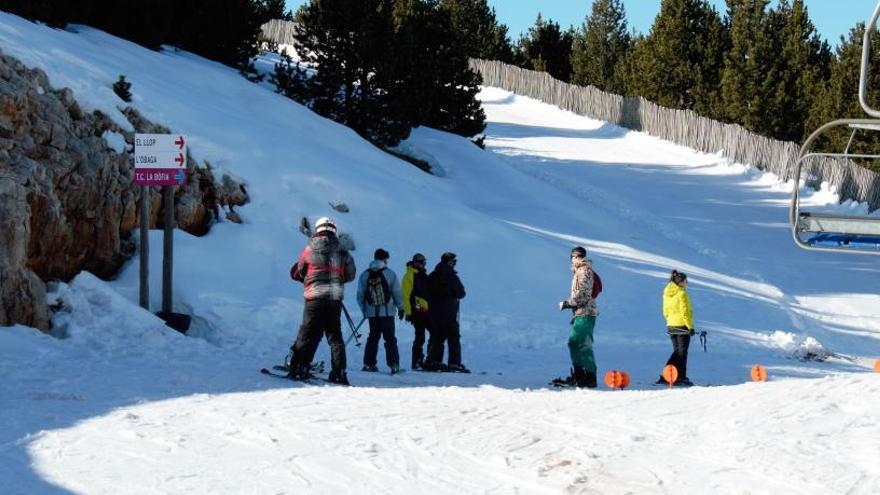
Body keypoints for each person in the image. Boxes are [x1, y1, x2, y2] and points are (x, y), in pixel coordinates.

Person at [288, 217, 357, 385]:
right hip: (334, 298)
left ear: (317, 229)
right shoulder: (343, 251)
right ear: (334, 230)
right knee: (335, 336)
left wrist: (310, 279)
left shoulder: (309, 249)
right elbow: (351, 274)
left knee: (307, 333)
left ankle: (299, 368)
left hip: (314, 297)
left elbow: (299, 271)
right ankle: (339, 373)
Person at [557, 246, 599, 388]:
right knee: (574, 343)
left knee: (583, 345)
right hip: (581, 314)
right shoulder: (580, 272)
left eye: (572, 257)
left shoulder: (584, 272)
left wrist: (567, 303)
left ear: (577, 257)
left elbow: (583, 296)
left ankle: (590, 377)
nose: (571, 261)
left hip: (586, 314)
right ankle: (580, 375)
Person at [357, 248, 404, 374]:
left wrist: (365, 311)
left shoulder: (365, 274)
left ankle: (368, 364)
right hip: (387, 312)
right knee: (390, 339)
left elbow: (360, 295)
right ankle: (394, 365)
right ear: (384, 259)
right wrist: (401, 308)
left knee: (373, 338)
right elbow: (397, 292)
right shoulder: (390, 273)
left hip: (372, 313)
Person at [424, 252, 468, 372]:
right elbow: (461, 293)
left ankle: (433, 361)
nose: (454, 264)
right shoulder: (451, 276)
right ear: (449, 262)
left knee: (438, 337)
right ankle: (454, 363)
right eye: (454, 261)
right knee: (453, 337)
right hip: (449, 311)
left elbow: (425, 291)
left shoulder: (433, 275)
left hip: (434, 312)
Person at [658, 270, 695, 387]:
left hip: (671, 325)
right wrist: (690, 327)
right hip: (682, 325)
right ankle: (681, 377)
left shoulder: (667, 293)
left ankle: (667, 376)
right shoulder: (682, 293)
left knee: (677, 352)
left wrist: (670, 321)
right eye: (685, 281)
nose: (687, 283)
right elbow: (685, 312)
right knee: (682, 353)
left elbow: (665, 311)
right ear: (680, 282)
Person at [401, 253, 431, 370]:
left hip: (426, 311)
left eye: (424, 262)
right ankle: (417, 362)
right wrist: (408, 312)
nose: (424, 264)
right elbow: (405, 295)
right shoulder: (409, 276)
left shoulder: (424, 275)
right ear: (417, 263)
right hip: (417, 312)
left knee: (435, 333)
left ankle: (429, 360)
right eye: (423, 262)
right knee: (420, 336)